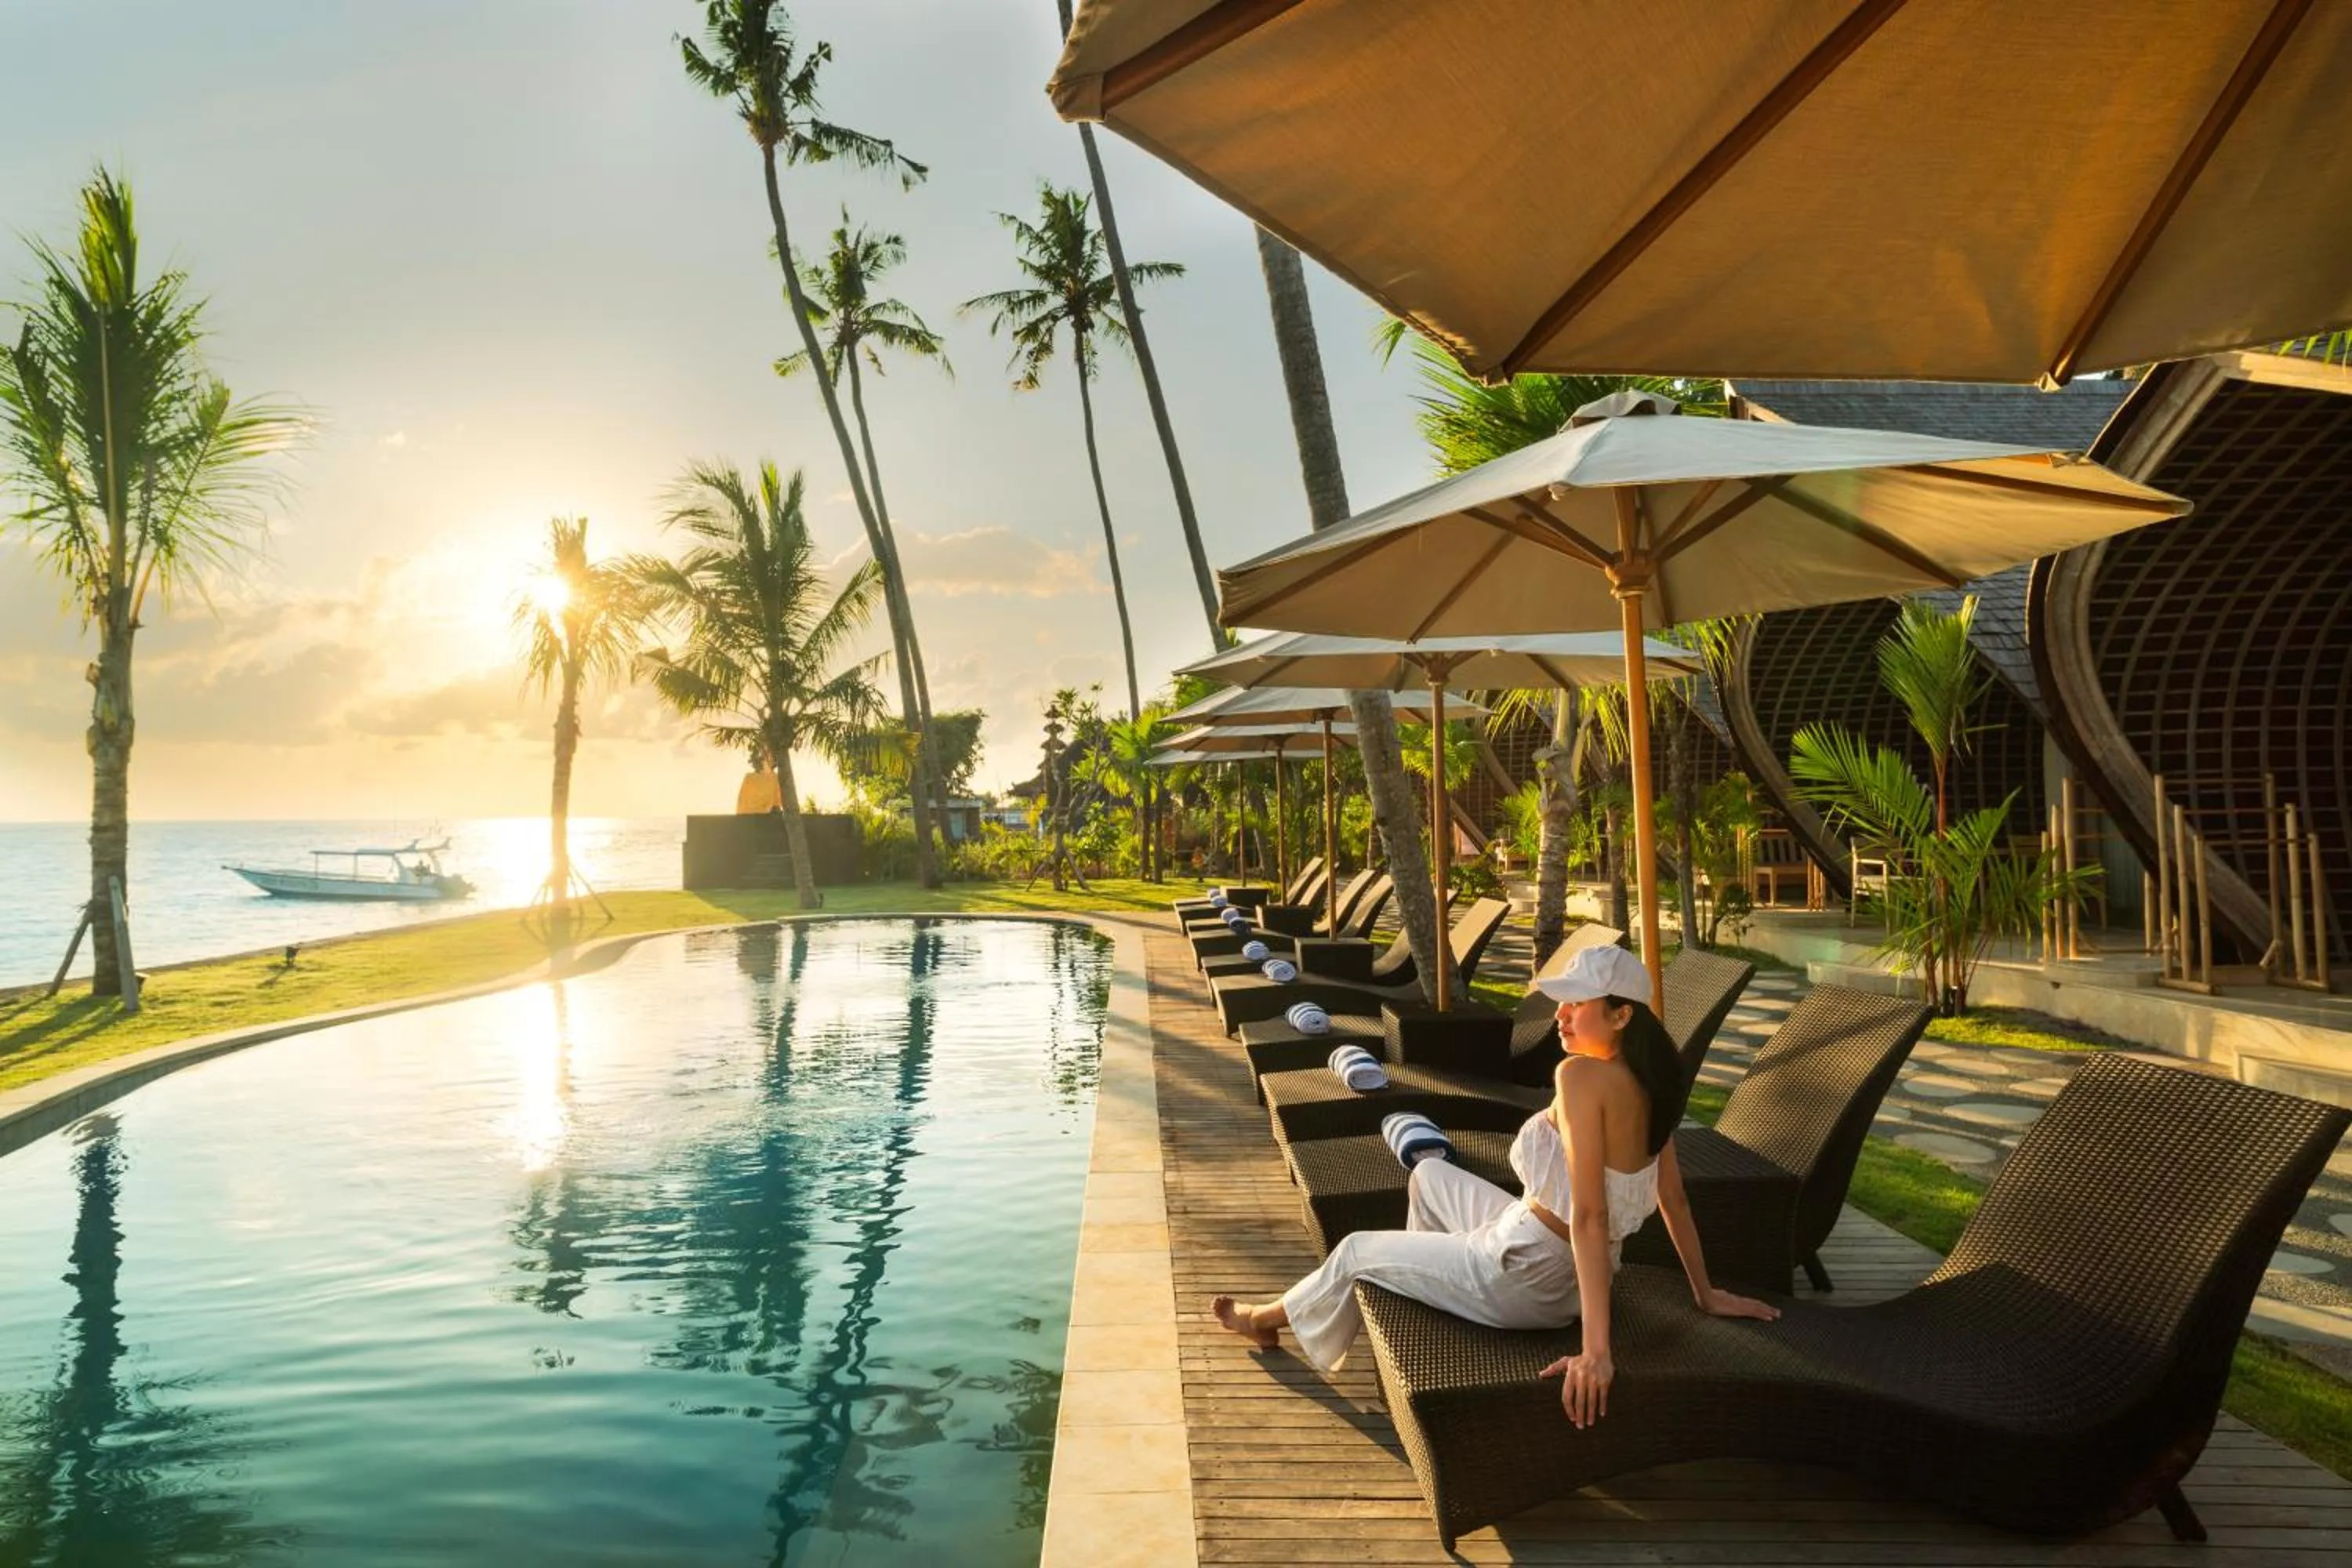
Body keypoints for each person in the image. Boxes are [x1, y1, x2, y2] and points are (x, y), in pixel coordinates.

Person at [1211, 943, 1779, 1427]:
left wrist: (1596, 1354)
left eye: (1578, 1004)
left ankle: (1263, 1322)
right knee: (1430, 1176)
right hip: (1557, 1264)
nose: (1561, 1016)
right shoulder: (1653, 1086)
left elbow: (1590, 1216)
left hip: (1522, 1272)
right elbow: (1672, 1198)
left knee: (1356, 1248)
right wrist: (1704, 1292)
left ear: (1622, 1015)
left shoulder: (1580, 1076)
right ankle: (1424, 1298)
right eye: (1562, 1003)